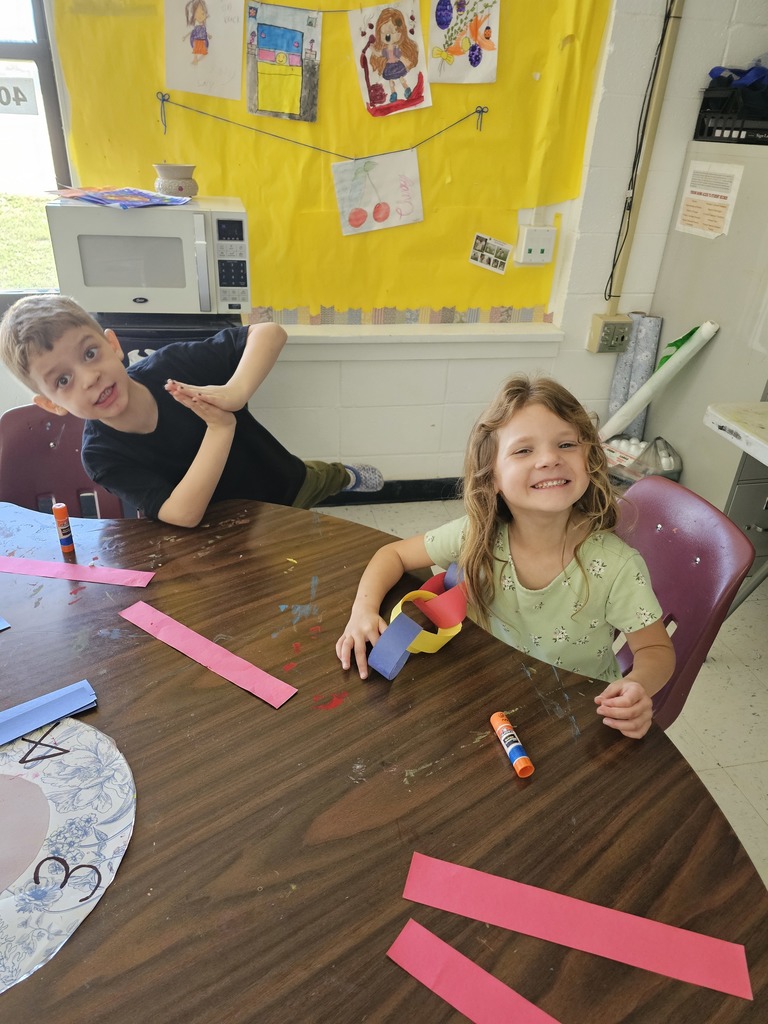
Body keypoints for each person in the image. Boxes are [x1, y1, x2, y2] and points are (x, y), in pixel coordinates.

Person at [337, 374, 675, 740]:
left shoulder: (617, 566)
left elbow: (656, 648)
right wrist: (363, 612)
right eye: (523, 450)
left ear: (590, 460)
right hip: (489, 691)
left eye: (565, 444)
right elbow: (394, 555)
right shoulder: (478, 534)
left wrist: (639, 686)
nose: (549, 459)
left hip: (575, 714)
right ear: (492, 477)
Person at [0, 295, 383, 527]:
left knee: (323, 478)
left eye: (89, 353)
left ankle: (343, 475)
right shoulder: (101, 455)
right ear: (51, 404)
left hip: (284, 480)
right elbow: (182, 515)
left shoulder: (171, 367)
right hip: (229, 531)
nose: (88, 378)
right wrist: (220, 429)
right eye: (62, 380)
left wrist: (235, 392)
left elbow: (270, 332)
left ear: (112, 344)